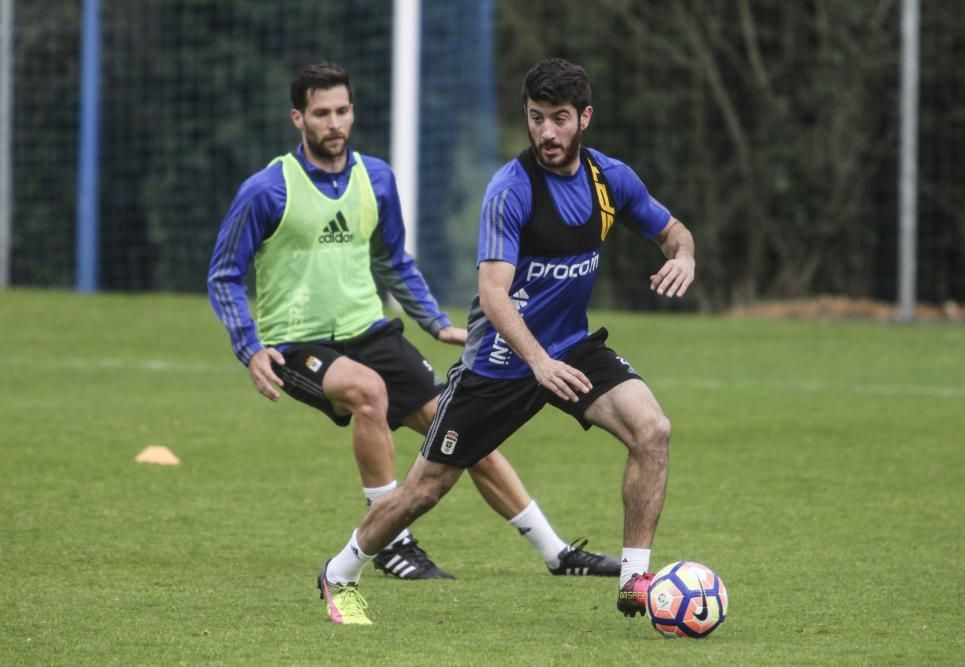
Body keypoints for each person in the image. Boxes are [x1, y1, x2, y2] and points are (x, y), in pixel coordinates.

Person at [207, 62, 619, 611]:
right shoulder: (266, 189)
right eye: (321, 112)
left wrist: (434, 321)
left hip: (370, 330)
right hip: (295, 343)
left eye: (342, 110)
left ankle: (555, 551)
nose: (334, 122)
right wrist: (250, 346)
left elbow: (394, 261)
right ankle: (393, 543)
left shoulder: (375, 177)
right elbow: (224, 273)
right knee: (368, 394)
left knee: (465, 427)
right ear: (297, 117)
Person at [318, 57, 696, 625]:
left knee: (653, 431)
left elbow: (673, 232)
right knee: (424, 490)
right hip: (498, 364)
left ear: (585, 118)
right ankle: (340, 572)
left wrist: (684, 256)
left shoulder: (610, 179)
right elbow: (493, 294)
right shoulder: (510, 189)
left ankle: (634, 580)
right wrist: (536, 361)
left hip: (570, 348)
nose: (547, 131)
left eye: (560, 118)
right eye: (537, 117)